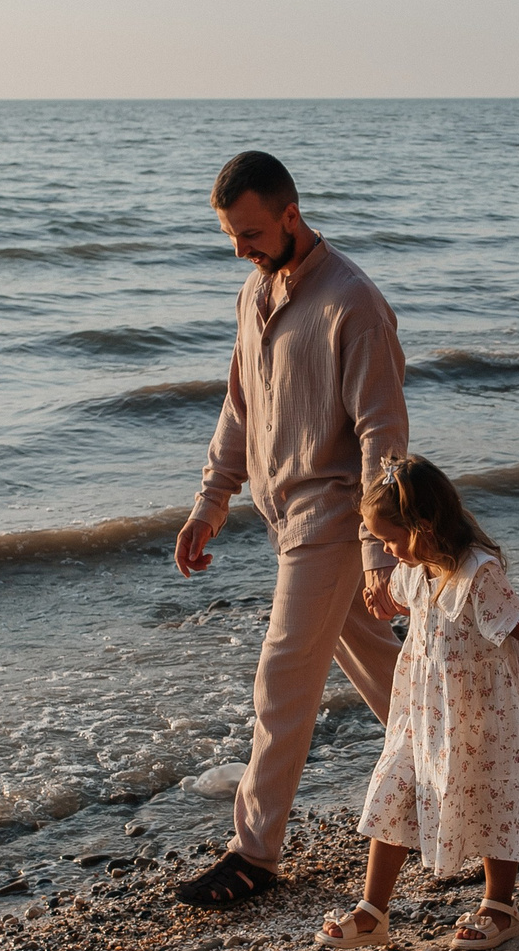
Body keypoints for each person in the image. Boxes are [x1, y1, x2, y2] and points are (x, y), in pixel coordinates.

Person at [173, 150, 410, 910]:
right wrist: (211, 503)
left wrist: (379, 551)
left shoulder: (353, 304)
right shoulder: (254, 294)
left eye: (249, 232)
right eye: (230, 235)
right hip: (286, 519)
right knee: (400, 685)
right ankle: (510, 798)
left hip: (337, 518)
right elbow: (239, 407)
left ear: (291, 216)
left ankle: (255, 853)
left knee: (281, 678)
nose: (239, 248)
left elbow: (383, 434)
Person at [317, 456, 519, 951]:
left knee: (492, 793)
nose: (385, 549)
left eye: (389, 538)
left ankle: (500, 905)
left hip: (485, 713)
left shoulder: (477, 574)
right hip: (424, 712)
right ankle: (374, 909)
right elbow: (400, 598)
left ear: (422, 527)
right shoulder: (415, 567)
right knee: (393, 787)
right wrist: (386, 604)